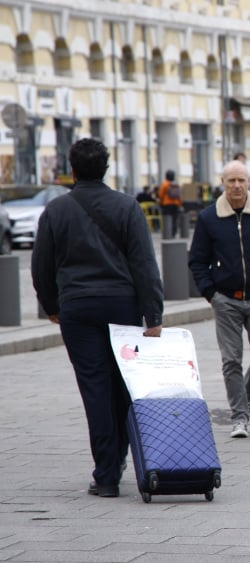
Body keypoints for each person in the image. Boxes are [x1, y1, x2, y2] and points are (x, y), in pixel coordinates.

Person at [32, 138, 164, 498]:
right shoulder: (127, 207)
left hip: (77, 308)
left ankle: (106, 475)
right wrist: (153, 314)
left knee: (95, 388)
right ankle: (121, 456)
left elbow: (41, 264)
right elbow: (144, 265)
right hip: (122, 306)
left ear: (71, 170)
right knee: (123, 386)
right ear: (106, 168)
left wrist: (51, 305)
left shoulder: (56, 211)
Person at [189, 160, 250, 439]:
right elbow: (197, 260)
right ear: (223, 183)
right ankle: (239, 417)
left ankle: (248, 394)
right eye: (231, 181)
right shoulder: (210, 218)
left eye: (241, 181)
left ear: (249, 183)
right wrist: (210, 293)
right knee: (231, 359)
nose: (236, 186)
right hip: (226, 299)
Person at [158, 169, 188, 239]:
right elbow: (179, 196)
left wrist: (161, 203)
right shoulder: (175, 184)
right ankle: (173, 233)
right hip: (175, 204)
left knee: (167, 219)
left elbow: (161, 195)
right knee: (174, 219)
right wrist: (180, 204)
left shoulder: (165, 184)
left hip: (166, 204)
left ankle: (167, 233)